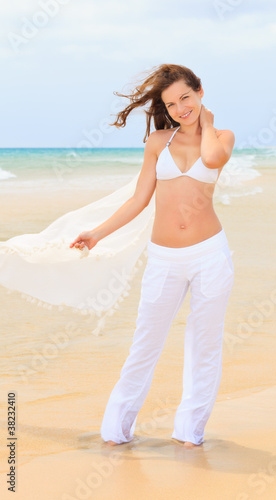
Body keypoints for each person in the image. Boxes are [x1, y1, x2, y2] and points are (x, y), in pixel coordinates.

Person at [70, 63, 235, 448]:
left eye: (186, 98)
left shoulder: (222, 136)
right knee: (145, 343)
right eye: (172, 103)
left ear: (200, 93)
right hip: (164, 259)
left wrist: (207, 123)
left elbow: (211, 159)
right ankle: (115, 432)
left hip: (210, 255)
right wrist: (97, 232)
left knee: (204, 346)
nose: (181, 108)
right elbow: (139, 199)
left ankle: (190, 435)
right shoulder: (158, 142)